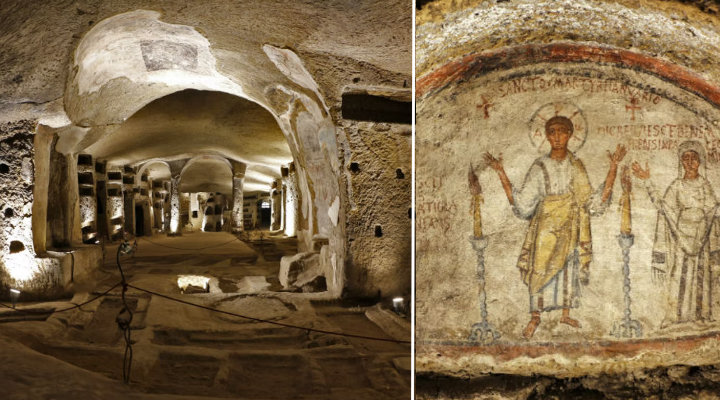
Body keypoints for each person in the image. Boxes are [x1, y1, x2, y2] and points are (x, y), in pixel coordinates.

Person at [485, 116, 626, 339]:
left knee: (568, 267)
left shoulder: (575, 165)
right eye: (552, 132)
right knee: (539, 268)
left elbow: (590, 200)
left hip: (570, 224)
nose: (557, 136)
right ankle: (535, 316)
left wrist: (613, 168)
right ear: (546, 136)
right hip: (545, 225)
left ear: (570, 134)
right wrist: (501, 172)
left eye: (562, 131)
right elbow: (523, 202)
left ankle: (565, 313)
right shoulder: (540, 166)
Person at [632, 140, 720, 325]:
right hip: (681, 237)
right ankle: (676, 316)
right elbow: (664, 207)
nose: (689, 162)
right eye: (685, 158)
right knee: (680, 276)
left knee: (701, 277)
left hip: (701, 237)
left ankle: (701, 315)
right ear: (681, 162)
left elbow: (713, 210)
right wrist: (647, 181)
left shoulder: (705, 186)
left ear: (700, 161)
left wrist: (703, 225)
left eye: (693, 158)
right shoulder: (677, 186)